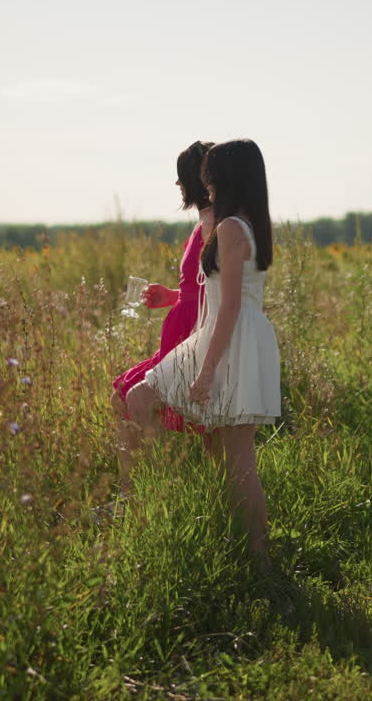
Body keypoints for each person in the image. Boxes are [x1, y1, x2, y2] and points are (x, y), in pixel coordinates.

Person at [126, 138, 280, 568]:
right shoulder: (249, 222)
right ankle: (249, 550)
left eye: (210, 175)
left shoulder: (230, 227)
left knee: (238, 458)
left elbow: (229, 305)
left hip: (230, 337)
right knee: (230, 453)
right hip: (233, 334)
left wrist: (206, 370)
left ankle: (257, 557)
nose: (204, 183)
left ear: (226, 177)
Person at [112, 141, 217, 490]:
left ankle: (149, 492)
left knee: (135, 399)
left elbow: (218, 291)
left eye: (181, 176)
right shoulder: (204, 222)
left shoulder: (215, 223)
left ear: (196, 179)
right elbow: (200, 287)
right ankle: (134, 493)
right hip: (183, 328)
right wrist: (172, 296)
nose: (177, 184)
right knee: (123, 397)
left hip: (193, 334)